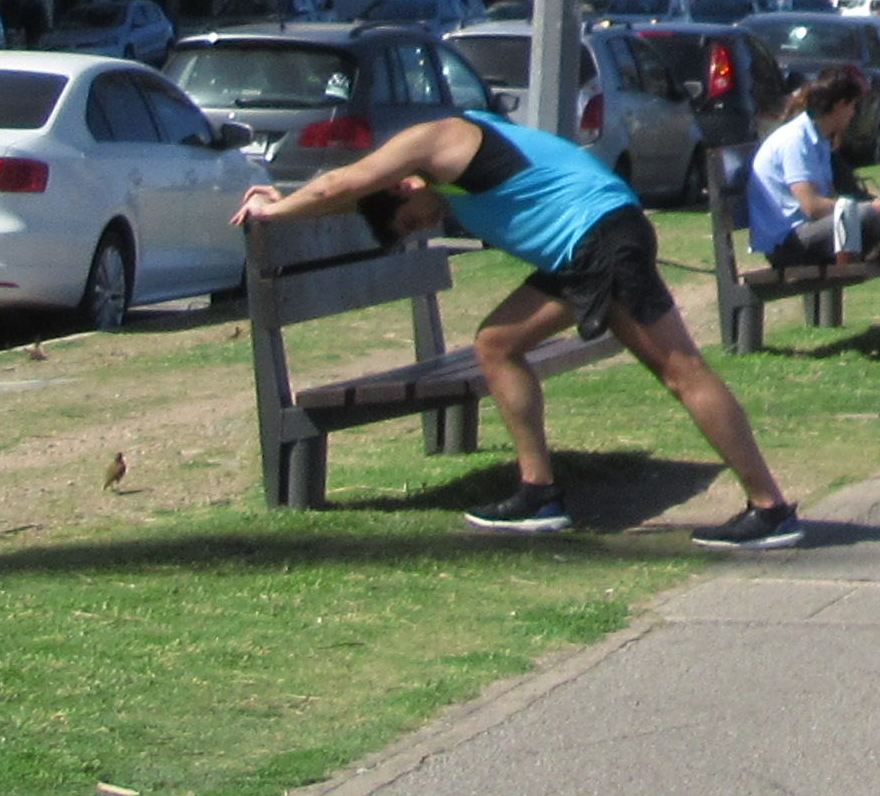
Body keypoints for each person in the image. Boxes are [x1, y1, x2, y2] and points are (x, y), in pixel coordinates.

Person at [241, 110, 805, 548]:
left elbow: (340, 184)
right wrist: (289, 200)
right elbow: (350, 196)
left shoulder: (433, 140)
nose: (431, 223)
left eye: (417, 219)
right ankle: (539, 494)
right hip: (591, 244)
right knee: (497, 342)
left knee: (683, 373)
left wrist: (275, 211)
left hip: (600, 240)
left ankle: (769, 508)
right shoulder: (443, 167)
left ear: (402, 186)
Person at [749, 61, 880, 352]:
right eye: (853, 107)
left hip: (817, 234)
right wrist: (874, 212)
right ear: (840, 105)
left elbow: (840, 203)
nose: (854, 115)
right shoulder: (796, 141)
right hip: (791, 245)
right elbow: (811, 207)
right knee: (878, 220)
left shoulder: (817, 139)